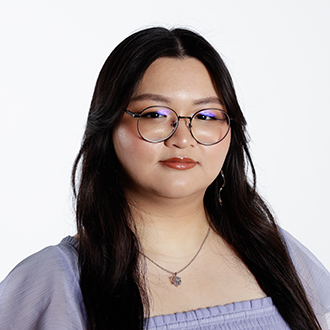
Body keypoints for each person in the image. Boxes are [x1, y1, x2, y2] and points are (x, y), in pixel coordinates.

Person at [0, 27, 329, 330]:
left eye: (207, 116)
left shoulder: (279, 256)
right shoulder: (54, 282)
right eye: (155, 114)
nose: (182, 138)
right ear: (108, 126)